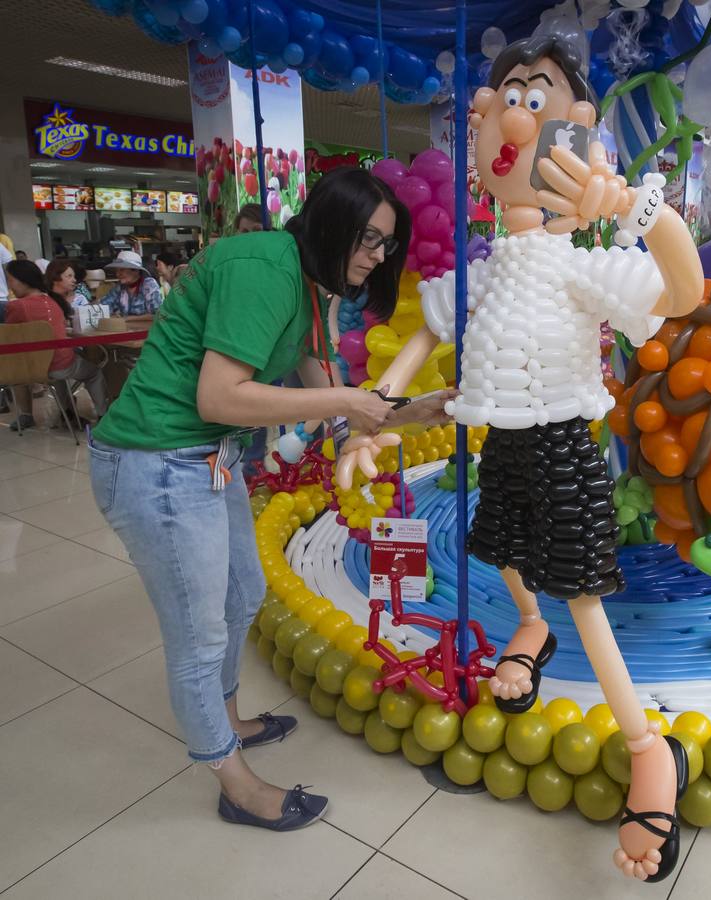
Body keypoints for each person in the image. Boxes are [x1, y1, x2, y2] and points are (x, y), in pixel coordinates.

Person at [348, 35, 703, 882]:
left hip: (560, 440)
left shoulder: (585, 265)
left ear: (575, 137)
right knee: (497, 545)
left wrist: (637, 212)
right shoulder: (473, 275)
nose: (511, 112)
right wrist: (371, 424)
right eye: (504, 96)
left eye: (536, 99)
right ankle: (528, 629)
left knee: (581, 591)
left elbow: (684, 295)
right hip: (500, 439)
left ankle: (650, 749)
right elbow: (416, 353)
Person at [88, 167, 452, 833]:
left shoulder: (313, 289)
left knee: (241, 598)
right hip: (155, 464)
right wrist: (348, 400)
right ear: (331, 223)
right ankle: (234, 783)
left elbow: (336, 405)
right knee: (198, 635)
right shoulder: (265, 267)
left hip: (208, 461)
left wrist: (415, 412)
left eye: (386, 246)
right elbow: (220, 397)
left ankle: (226, 717)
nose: (376, 257)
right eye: (369, 240)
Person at [3, 259, 108, 430]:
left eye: (10, 280)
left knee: (57, 371)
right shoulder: (54, 302)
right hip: (58, 365)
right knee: (93, 372)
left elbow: (9, 336)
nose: (9, 285)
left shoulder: (16, 306)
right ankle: (104, 415)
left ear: (22, 280)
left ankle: (66, 413)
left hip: (34, 368)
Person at [101, 250, 163, 323]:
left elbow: (157, 314)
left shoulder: (148, 284)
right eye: (117, 270)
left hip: (148, 331)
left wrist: (127, 318)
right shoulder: (119, 288)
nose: (118, 274)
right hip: (126, 331)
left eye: (122, 270)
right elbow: (104, 306)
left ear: (136, 271)